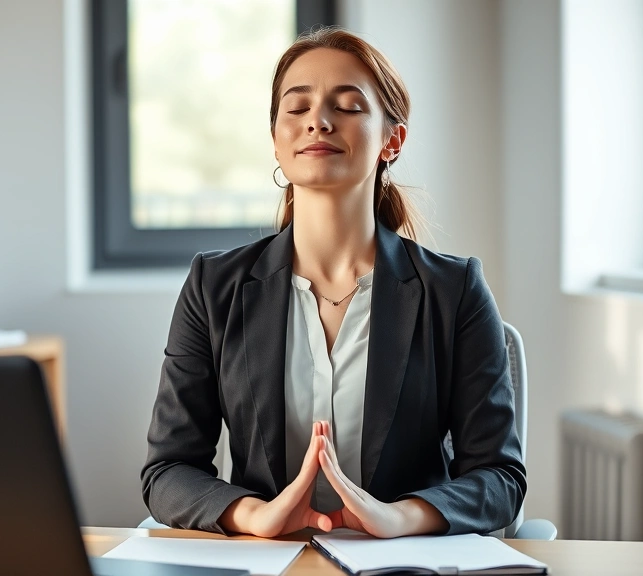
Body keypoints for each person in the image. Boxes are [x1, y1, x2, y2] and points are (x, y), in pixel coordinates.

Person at [141, 27, 526, 539]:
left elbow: (500, 479)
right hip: (266, 560)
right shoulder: (214, 287)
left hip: (400, 564)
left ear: (393, 139)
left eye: (346, 106)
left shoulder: (454, 291)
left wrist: (398, 516)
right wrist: (257, 514)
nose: (317, 122)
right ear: (276, 139)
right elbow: (168, 470)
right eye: (296, 108)